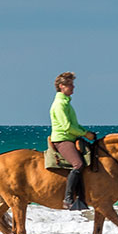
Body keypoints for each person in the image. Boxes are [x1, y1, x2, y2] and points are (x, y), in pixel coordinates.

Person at [50, 72, 97, 211]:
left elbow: (75, 125)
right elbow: (67, 127)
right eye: (69, 84)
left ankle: (83, 198)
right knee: (78, 164)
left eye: (72, 84)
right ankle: (68, 198)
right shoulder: (59, 104)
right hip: (62, 140)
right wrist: (85, 134)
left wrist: (88, 133)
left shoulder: (66, 103)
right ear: (61, 86)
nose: (73, 87)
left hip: (71, 138)